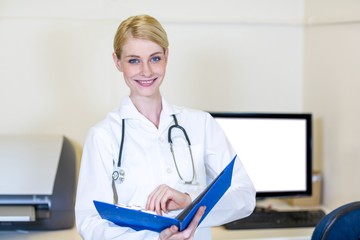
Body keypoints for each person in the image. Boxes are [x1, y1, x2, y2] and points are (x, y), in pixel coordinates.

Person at [75, 14, 256, 240]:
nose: (146, 71)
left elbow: (245, 196)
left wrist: (190, 203)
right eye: (133, 60)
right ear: (117, 61)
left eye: (155, 58)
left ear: (167, 56)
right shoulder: (103, 136)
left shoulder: (201, 124)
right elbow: (89, 222)